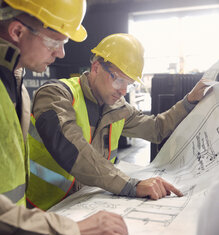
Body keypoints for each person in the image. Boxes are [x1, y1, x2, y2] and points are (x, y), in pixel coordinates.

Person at [0, 0, 128, 235]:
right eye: (54, 41)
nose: (62, 53)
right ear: (17, 32)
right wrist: (70, 232)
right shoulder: (51, 92)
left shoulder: (16, 86)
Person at [27, 33, 210, 211]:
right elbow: (72, 149)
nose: (123, 90)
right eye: (119, 80)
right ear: (96, 67)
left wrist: (190, 101)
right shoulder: (55, 95)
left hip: (79, 207)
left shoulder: (118, 108)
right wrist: (130, 185)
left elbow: (155, 128)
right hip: (39, 209)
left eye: (128, 84)